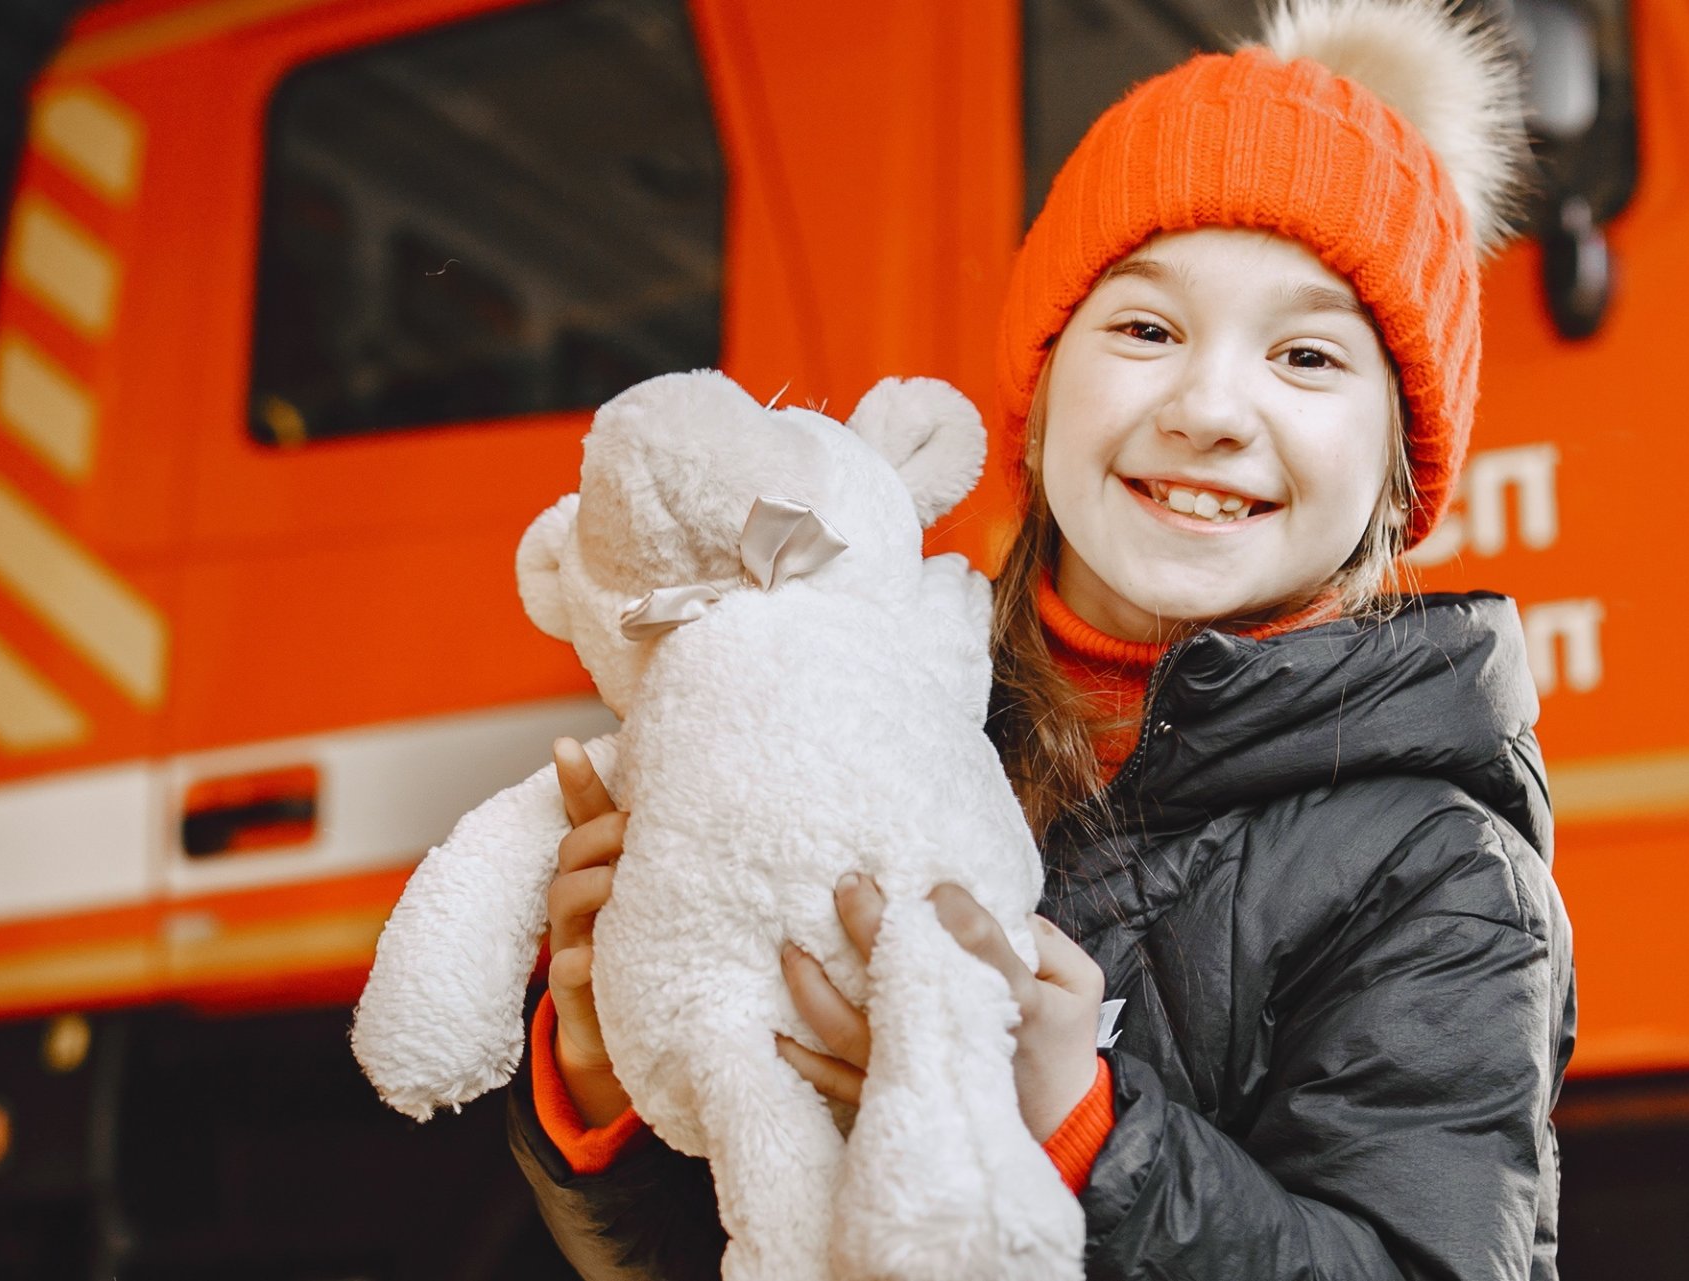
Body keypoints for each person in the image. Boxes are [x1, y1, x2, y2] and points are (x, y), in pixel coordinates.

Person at [504, 1, 1573, 1277]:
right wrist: (604, 1073)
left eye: (1304, 354)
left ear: (1396, 468)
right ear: (1041, 382)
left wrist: (1084, 1131)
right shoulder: (881, 714)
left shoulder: (1440, 876)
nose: (1211, 407)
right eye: (1146, 328)